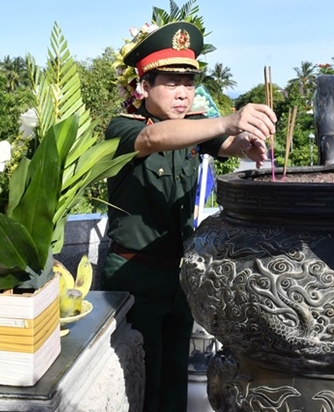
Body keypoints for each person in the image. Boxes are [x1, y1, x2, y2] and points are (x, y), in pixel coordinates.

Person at [101, 21, 276, 411]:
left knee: (174, 380)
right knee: (139, 382)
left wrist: (246, 144)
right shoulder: (123, 128)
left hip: (178, 275)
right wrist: (227, 120)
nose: (183, 92)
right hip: (134, 275)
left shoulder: (194, 127)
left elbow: (224, 143)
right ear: (144, 86)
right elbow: (153, 139)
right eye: (171, 83)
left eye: (189, 83)